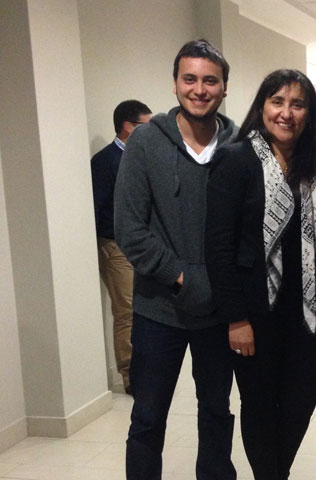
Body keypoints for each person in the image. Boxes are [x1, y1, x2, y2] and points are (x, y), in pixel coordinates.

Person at [114, 39, 238, 480]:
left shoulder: (239, 146)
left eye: (210, 80)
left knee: (216, 412)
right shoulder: (146, 143)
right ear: (175, 84)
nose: (199, 89)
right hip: (158, 309)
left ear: (224, 88)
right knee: (147, 418)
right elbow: (130, 229)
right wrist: (182, 277)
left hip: (219, 312)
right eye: (190, 79)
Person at [204, 69, 316, 480]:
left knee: (301, 399)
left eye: (298, 104)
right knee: (259, 405)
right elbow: (218, 246)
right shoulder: (236, 159)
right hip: (254, 310)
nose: (286, 113)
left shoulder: (314, 165)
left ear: (309, 113)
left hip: (304, 306)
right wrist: (235, 318)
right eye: (278, 102)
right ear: (263, 107)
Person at [91, 99, 151, 394]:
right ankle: (131, 376)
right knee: (126, 312)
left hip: (143, 246)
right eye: (145, 125)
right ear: (128, 127)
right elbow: (97, 206)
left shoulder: (142, 157)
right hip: (116, 247)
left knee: (144, 310)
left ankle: (147, 369)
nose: (151, 131)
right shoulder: (105, 162)